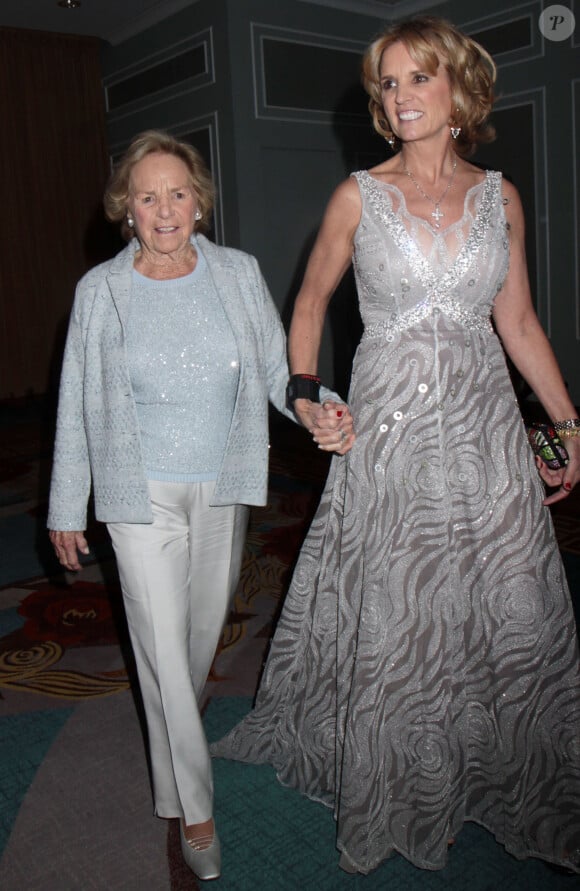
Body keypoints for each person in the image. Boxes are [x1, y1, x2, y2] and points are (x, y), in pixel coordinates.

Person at [210, 16, 580, 876]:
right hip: (394, 427)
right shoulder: (358, 195)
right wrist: (306, 396)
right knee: (400, 599)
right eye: (390, 82)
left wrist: (565, 422)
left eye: (421, 77)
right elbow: (308, 305)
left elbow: (517, 320)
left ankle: (498, 757)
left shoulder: (501, 195)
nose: (403, 95)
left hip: (486, 425)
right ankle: (403, 768)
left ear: (458, 88)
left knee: (502, 593)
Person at [47, 129, 353, 881]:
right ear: (126, 207)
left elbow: (284, 368)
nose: (163, 208)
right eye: (146, 195)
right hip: (137, 492)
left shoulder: (237, 274)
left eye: (177, 192)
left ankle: (168, 772)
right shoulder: (102, 292)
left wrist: (319, 408)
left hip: (223, 483)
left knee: (190, 649)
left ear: (199, 200)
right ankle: (197, 809)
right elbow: (76, 406)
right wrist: (65, 502)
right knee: (160, 648)